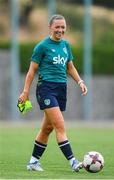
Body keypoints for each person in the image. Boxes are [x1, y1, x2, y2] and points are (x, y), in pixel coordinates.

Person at [18, 14, 88, 172]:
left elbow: (70, 67)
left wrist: (80, 82)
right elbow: (31, 72)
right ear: (50, 27)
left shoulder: (66, 46)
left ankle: (33, 162)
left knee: (47, 128)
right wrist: (25, 92)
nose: (60, 30)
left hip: (61, 89)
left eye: (63, 27)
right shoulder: (42, 46)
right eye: (57, 27)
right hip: (46, 89)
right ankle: (73, 162)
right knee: (60, 125)